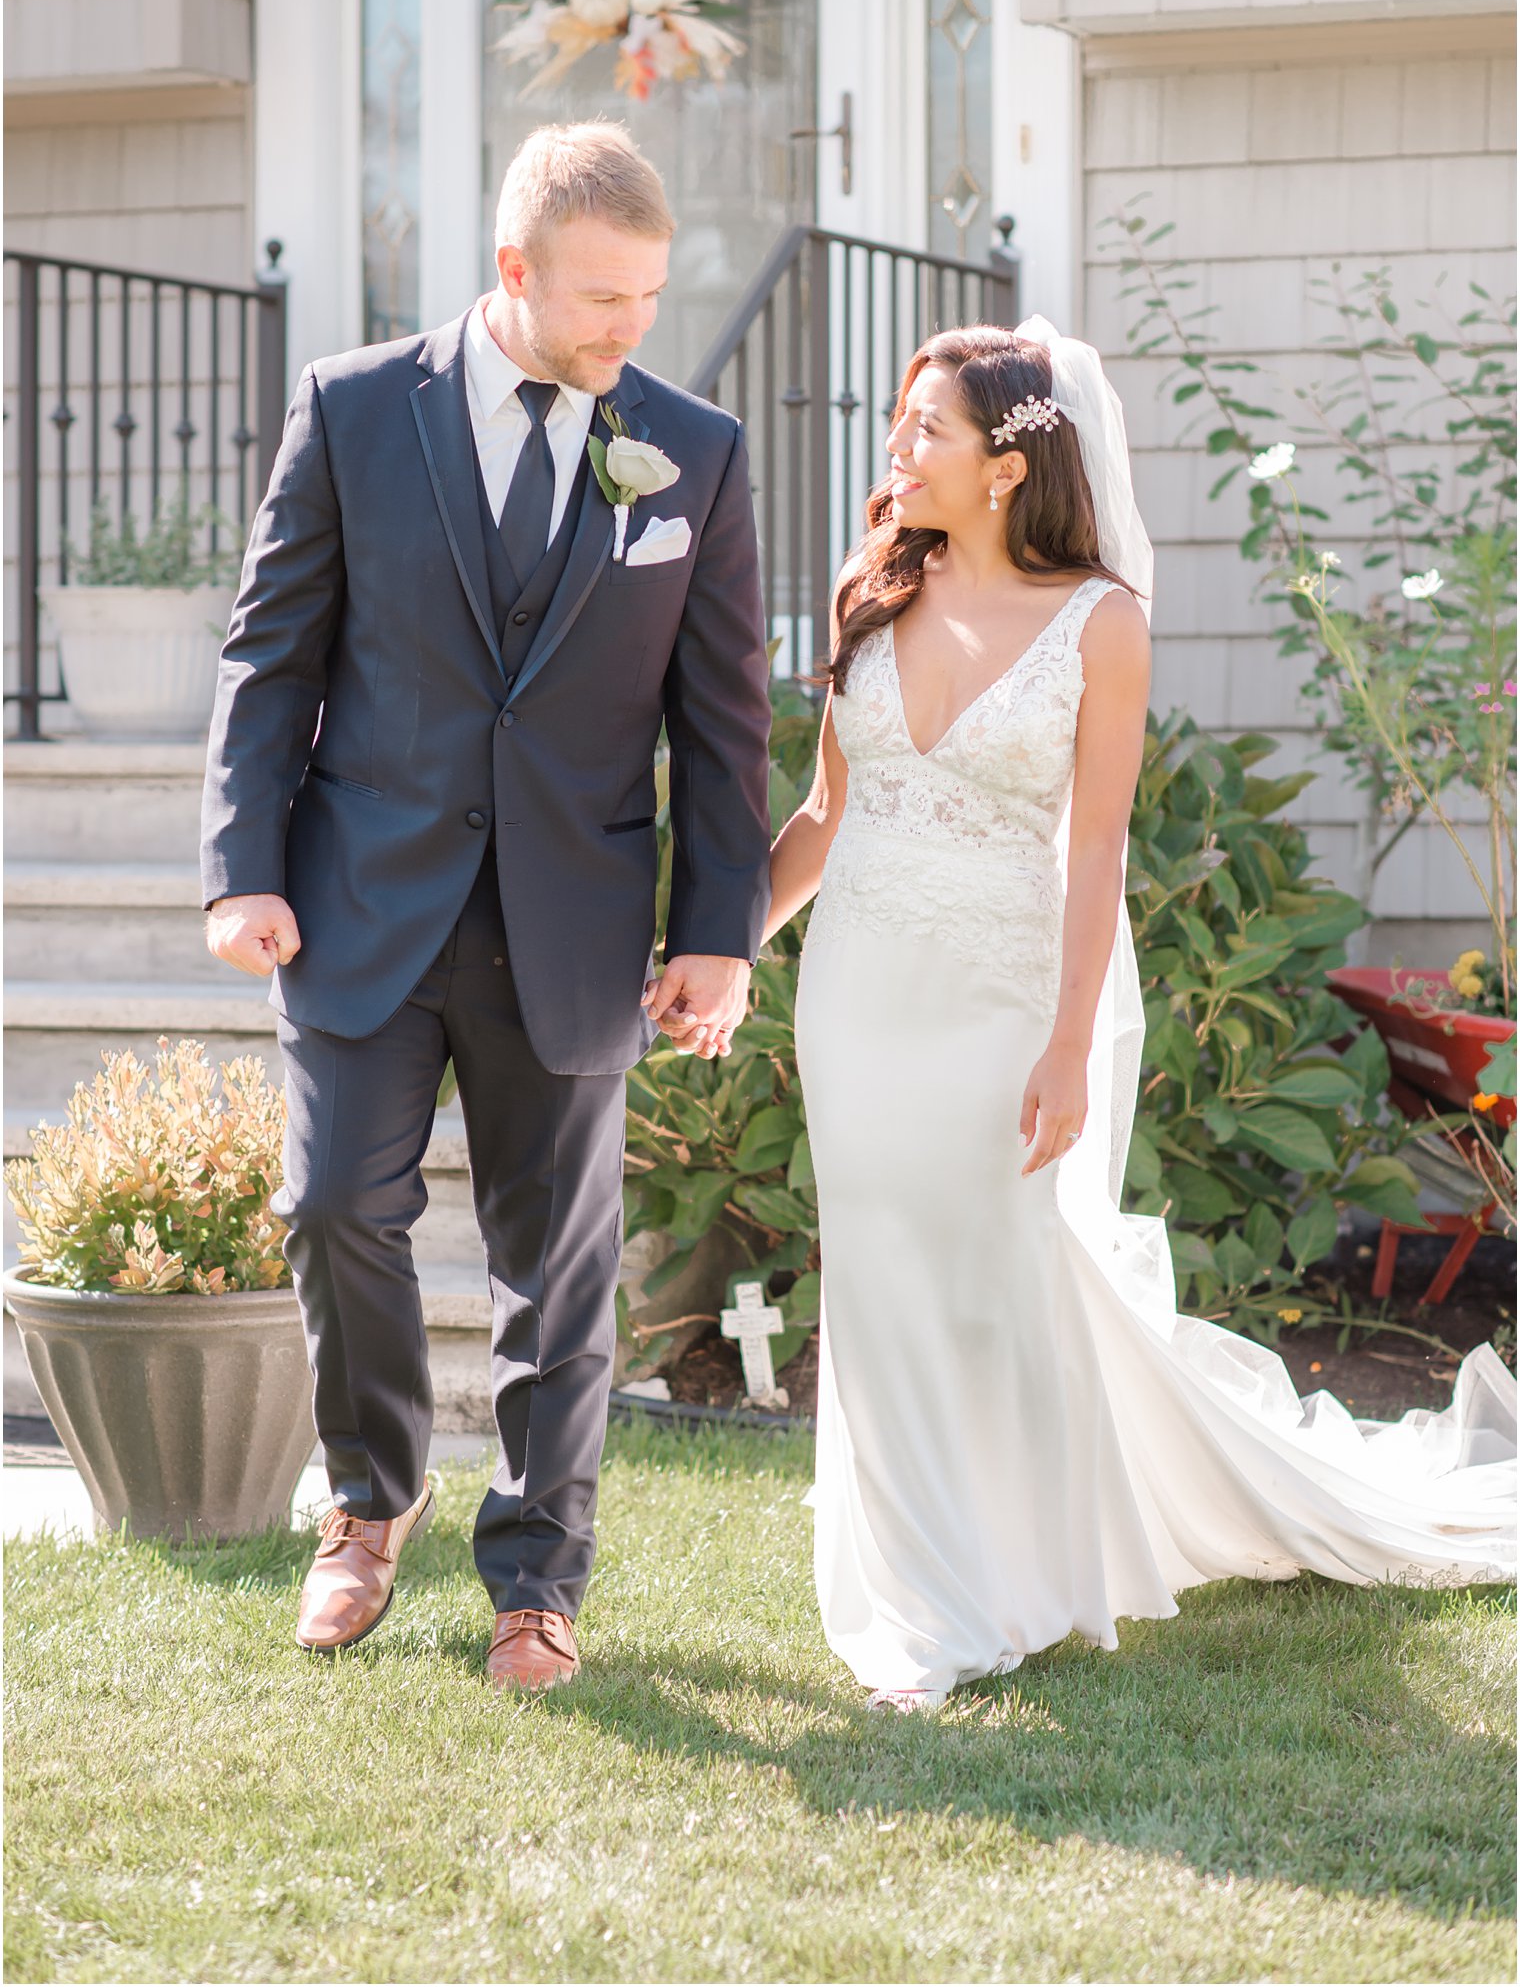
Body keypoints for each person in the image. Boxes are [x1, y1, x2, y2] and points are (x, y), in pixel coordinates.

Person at [766, 317, 1516, 1712]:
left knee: (997, 1279)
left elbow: (1093, 856)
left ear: (1005, 466)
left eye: (926, 430)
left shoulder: (1102, 627)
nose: (898, 452)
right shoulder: (868, 591)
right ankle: (927, 1592)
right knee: (878, 1279)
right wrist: (724, 948)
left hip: (997, 998)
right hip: (858, 993)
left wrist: (1065, 1046)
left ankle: (1011, 1566)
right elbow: (824, 813)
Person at [202, 122, 772, 1690]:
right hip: (361, 902)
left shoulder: (693, 452)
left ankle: (537, 1579)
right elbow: (273, 657)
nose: (629, 329)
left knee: (558, 1270)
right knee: (333, 1210)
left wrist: (718, 931)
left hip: (574, 920)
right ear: (511, 271)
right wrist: (242, 864)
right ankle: (371, 1507)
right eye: (601, 298)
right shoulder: (352, 407)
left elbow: (724, 723)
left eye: (651, 296)